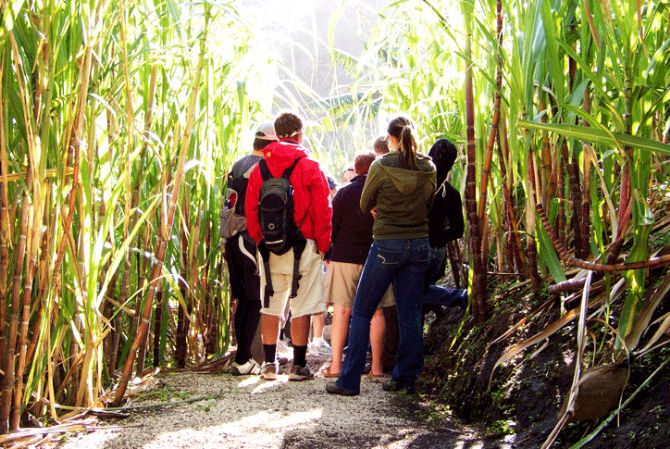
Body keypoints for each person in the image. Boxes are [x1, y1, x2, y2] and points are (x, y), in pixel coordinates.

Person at [326, 115, 436, 396]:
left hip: (388, 243)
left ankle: (348, 380)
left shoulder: (382, 165)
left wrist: (382, 209)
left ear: (390, 138)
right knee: (410, 313)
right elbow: (429, 203)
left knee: (362, 310)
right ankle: (406, 379)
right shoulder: (428, 166)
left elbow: (365, 203)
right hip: (419, 243)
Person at [245, 111, 332, 381]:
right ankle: (298, 366)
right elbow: (322, 209)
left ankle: (269, 364)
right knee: (302, 304)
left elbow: (250, 209)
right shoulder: (309, 166)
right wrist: (324, 244)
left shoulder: (260, 168)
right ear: (299, 134)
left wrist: (261, 239)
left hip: (270, 246)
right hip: (304, 244)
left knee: (270, 303)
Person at [323, 151, 393, 378]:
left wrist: (327, 252)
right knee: (377, 311)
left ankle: (335, 367)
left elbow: (332, 226)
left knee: (341, 311)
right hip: (376, 256)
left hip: (344, 256)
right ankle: (376, 368)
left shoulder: (343, 192)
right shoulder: (383, 192)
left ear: (356, 168)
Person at [222, 122, 277, 375]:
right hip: (248, 238)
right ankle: (244, 358)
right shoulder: (261, 167)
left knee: (244, 300)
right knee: (253, 299)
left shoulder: (239, 164)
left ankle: (241, 357)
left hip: (232, 239)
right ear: (271, 145)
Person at [423, 139, 467, 309]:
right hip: (438, 252)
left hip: (418, 248)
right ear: (451, 165)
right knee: (420, 293)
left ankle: (458, 297)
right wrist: (437, 235)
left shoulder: (417, 186)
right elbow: (458, 230)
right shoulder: (453, 193)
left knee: (413, 293)